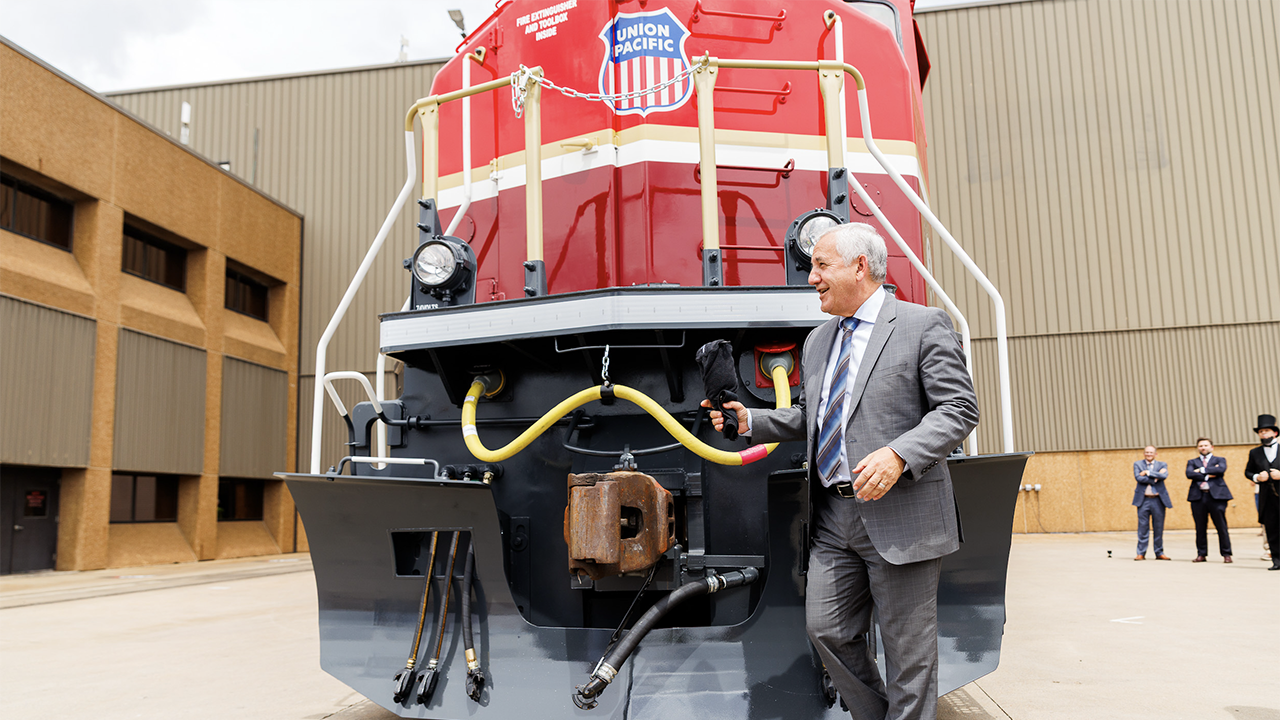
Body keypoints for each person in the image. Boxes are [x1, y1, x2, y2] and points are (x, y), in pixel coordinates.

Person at [703, 222, 978, 720]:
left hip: (903, 514)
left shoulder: (923, 324)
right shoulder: (817, 341)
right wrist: (751, 420)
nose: (811, 278)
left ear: (860, 267)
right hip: (833, 518)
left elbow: (958, 409)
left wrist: (899, 455)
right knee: (827, 630)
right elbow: (815, 417)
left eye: (821, 266)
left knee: (908, 659)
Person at [1185, 437, 1232, 563]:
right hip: (1198, 497)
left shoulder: (1219, 460)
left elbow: (1220, 470)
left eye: (1206, 445)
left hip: (1217, 497)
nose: (1203, 448)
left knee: (1221, 526)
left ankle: (1226, 554)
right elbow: (1189, 474)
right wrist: (1209, 473)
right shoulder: (1192, 462)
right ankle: (1201, 554)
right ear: (1197, 448)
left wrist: (1201, 471)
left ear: (1212, 447)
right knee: (1200, 527)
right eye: (1201, 446)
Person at [1243, 414, 1280, 571]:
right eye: (1261, 432)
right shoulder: (1254, 452)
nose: (1263, 434)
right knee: (1272, 529)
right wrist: (1257, 477)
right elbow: (1248, 471)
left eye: (1266, 431)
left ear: (1275, 433)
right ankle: (1277, 560)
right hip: (1267, 497)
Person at [1132, 446, 1171, 560]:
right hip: (1143, 500)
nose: (1149, 454)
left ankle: (1159, 552)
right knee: (1143, 527)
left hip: (1158, 500)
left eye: (1151, 452)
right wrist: (1155, 477)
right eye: (1147, 452)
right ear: (1144, 453)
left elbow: (1164, 476)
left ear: (1156, 454)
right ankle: (1141, 553)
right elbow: (1138, 478)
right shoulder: (1138, 464)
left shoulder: (1162, 464)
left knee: (1158, 527)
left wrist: (1148, 472)